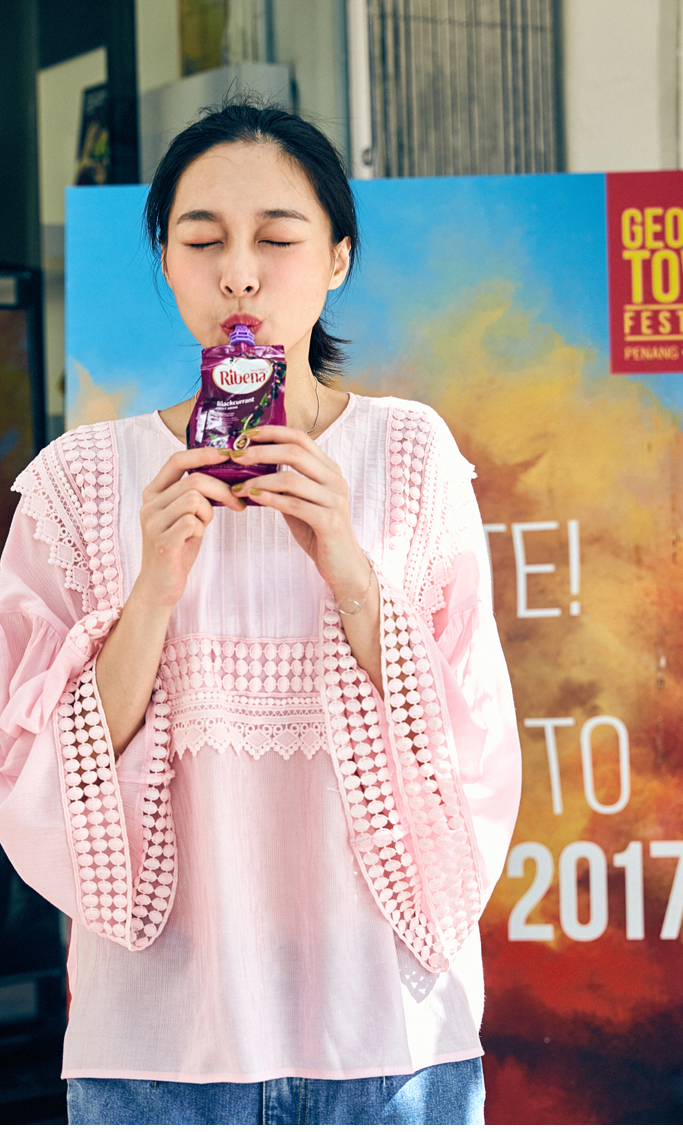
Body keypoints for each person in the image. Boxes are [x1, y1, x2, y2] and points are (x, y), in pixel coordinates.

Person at [0, 99, 521, 1126]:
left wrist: (348, 567)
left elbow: (475, 736)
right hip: (157, 1048)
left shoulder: (410, 456)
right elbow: (32, 770)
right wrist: (153, 585)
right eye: (202, 240)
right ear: (166, 261)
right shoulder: (77, 484)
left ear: (336, 258)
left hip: (388, 1039)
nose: (239, 273)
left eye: (277, 238)